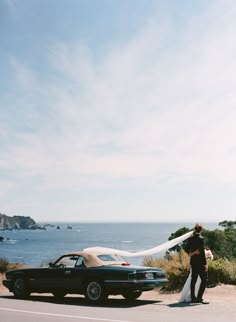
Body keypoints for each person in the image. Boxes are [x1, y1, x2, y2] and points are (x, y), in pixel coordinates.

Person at [184, 223, 209, 304]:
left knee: (193, 280)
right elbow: (202, 253)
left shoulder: (190, 239)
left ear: (195, 229)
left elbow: (186, 249)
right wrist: (205, 264)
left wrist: (193, 253)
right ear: (201, 230)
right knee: (204, 280)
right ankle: (199, 298)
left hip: (193, 263)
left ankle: (193, 298)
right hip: (200, 264)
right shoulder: (201, 239)